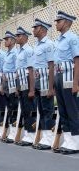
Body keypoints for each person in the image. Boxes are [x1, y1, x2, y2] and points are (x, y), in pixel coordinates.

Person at [53, 11, 79, 154]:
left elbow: (77, 60)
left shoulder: (72, 38)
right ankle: (68, 140)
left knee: (71, 110)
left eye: (59, 21)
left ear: (67, 22)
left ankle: (75, 142)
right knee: (63, 111)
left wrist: (76, 83)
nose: (56, 23)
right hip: (59, 76)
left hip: (69, 77)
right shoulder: (59, 40)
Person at [31, 18, 55, 150]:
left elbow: (51, 66)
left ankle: (49, 138)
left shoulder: (48, 44)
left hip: (46, 81)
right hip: (38, 81)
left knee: (47, 110)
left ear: (42, 29)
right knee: (40, 109)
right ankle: (45, 137)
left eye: (35, 27)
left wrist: (51, 87)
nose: (33, 30)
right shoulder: (37, 45)